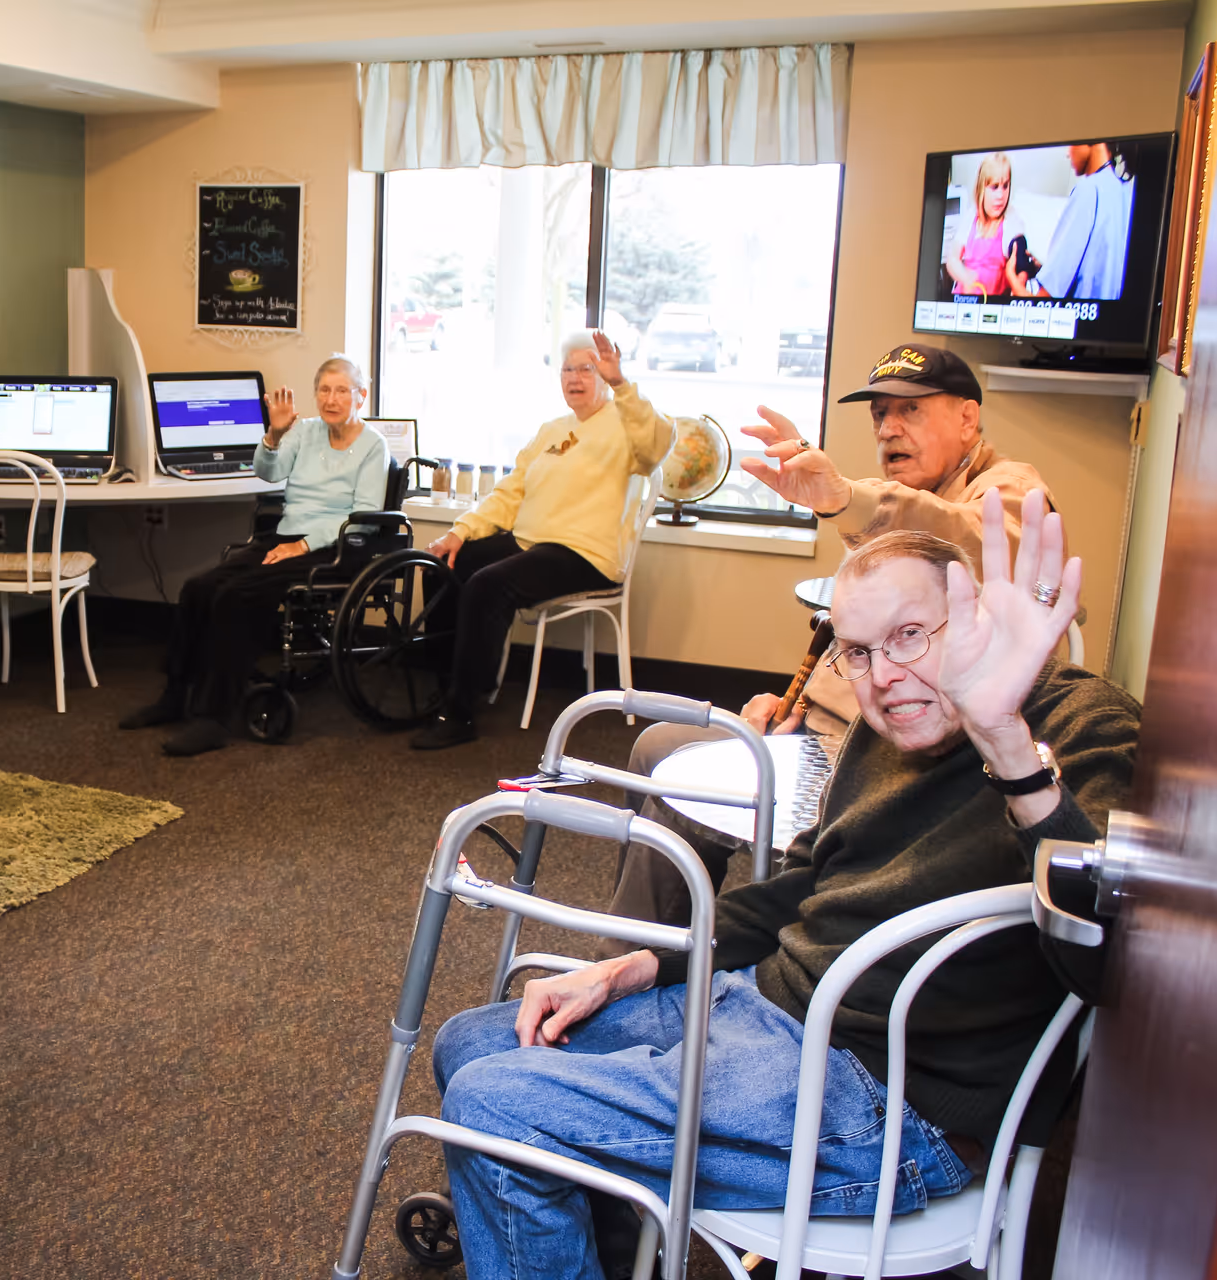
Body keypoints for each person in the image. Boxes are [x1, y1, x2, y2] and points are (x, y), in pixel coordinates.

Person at [431, 489, 1138, 1280]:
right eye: (858, 651)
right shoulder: (886, 724)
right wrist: (637, 965)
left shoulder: (1086, 725)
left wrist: (1005, 739)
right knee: (471, 1044)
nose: (883, 678)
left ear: (974, 615)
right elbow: (799, 884)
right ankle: (609, 1243)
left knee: (496, 1105)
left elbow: (1108, 963)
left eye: (910, 637)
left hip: (894, 1101)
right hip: (771, 1010)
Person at [607, 343, 1055, 928]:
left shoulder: (1006, 492)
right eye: (879, 415)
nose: (889, 429)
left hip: (892, 754)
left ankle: (639, 962)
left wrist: (845, 498)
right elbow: (853, 643)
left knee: (686, 777)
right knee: (657, 747)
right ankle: (648, 950)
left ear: (967, 417)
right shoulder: (896, 507)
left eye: (910, 411)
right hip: (825, 722)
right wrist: (791, 699)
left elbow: (965, 541)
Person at [408, 331, 675, 750]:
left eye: (586, 369)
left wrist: (622, 383)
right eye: (567, 369)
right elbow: (509, 493)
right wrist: (458, 532)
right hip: (531, 543)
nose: (575, 377)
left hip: (583, 553)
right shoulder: (552, 429)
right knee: (447, 565)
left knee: (487, 585)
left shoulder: (627, 425)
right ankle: (445, 687)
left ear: (603, 376)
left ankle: (462, 711)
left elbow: (659, 444)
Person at [118, 356, 390, 757]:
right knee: (197, 588)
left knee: (237, 595)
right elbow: (267, 472)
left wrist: (304, 544)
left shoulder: (373, 446)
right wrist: (274, 436)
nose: (331, 399)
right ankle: (175, 695)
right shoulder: (306, 431)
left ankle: (213, 718)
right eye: (324, 390)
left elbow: (363, 519)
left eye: (342, 390)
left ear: (361, 396)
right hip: (284, 535)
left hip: (336, 547)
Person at [1014, 142, 1133, 302]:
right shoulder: (1125, 192)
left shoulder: (1088, 189)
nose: (1067, 154)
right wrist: (1047, 270)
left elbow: (1044, 302)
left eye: (1070, 144)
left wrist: (1011, 278)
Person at [945, 152, 1026, 298]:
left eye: (1005, 186)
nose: (1001, 196)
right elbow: (952, 259)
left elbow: (1022, 269)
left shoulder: (1011, 222)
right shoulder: (971, 217)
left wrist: (1017, 291)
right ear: (982, 189)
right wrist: (965, 277)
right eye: (994, 187)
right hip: (964, 301)